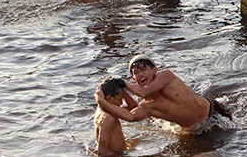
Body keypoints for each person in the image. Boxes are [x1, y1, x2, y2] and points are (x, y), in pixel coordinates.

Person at [94, 54, 232, 134]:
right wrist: (101, 101)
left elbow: (143, 91)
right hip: (196, 132)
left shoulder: (166, 76)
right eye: (136, 73)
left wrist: (122, 82)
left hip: (214, 113)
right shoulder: (147, 106)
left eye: (143, 69)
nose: (140, 74)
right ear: (134, 80)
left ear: (155, 69)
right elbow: (130, 116)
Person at [93, 77, 137, 157]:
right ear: (109, 98)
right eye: (120, 99)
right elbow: (102, 150)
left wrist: (121, 90)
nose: (121, 102)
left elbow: (132, 107)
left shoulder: (103, 110)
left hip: (118, 154)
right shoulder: (108, 119)